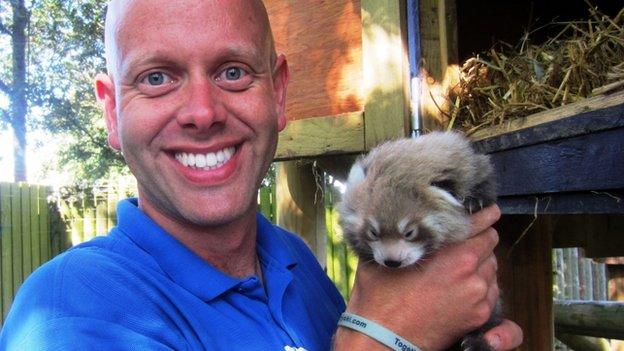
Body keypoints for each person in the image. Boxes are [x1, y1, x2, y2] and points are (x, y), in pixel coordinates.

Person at [0, 0, 523, 350]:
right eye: (157, 77)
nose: (202, 112)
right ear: (112, 112)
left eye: (232, 72)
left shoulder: (294, 263)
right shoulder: (68, 315)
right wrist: (382, 337)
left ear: (277, 93)